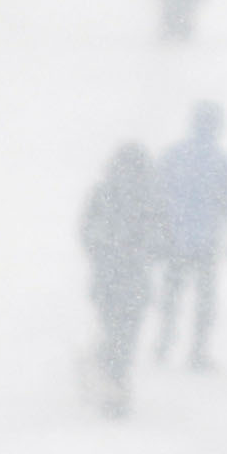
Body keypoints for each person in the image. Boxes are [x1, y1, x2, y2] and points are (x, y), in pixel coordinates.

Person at [155, 104, 227, 369]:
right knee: (204, 299)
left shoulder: (173, 155)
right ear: (216, 126)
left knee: (172, 293)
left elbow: (156, 196)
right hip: (206, 240)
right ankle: (197, 351)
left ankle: (164, 341)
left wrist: (157, 231)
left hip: (175, 238)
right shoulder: (222, 161)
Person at [78, 143, 161, 416]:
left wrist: (103, 251)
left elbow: (86, 232)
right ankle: (115, 386)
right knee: (125, 336)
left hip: (107, 279)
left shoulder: (102, 192)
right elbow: (161, 238)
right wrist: (140, 251)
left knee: (113, 332)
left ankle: (106, 377)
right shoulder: (148, 196)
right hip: (132, 280)